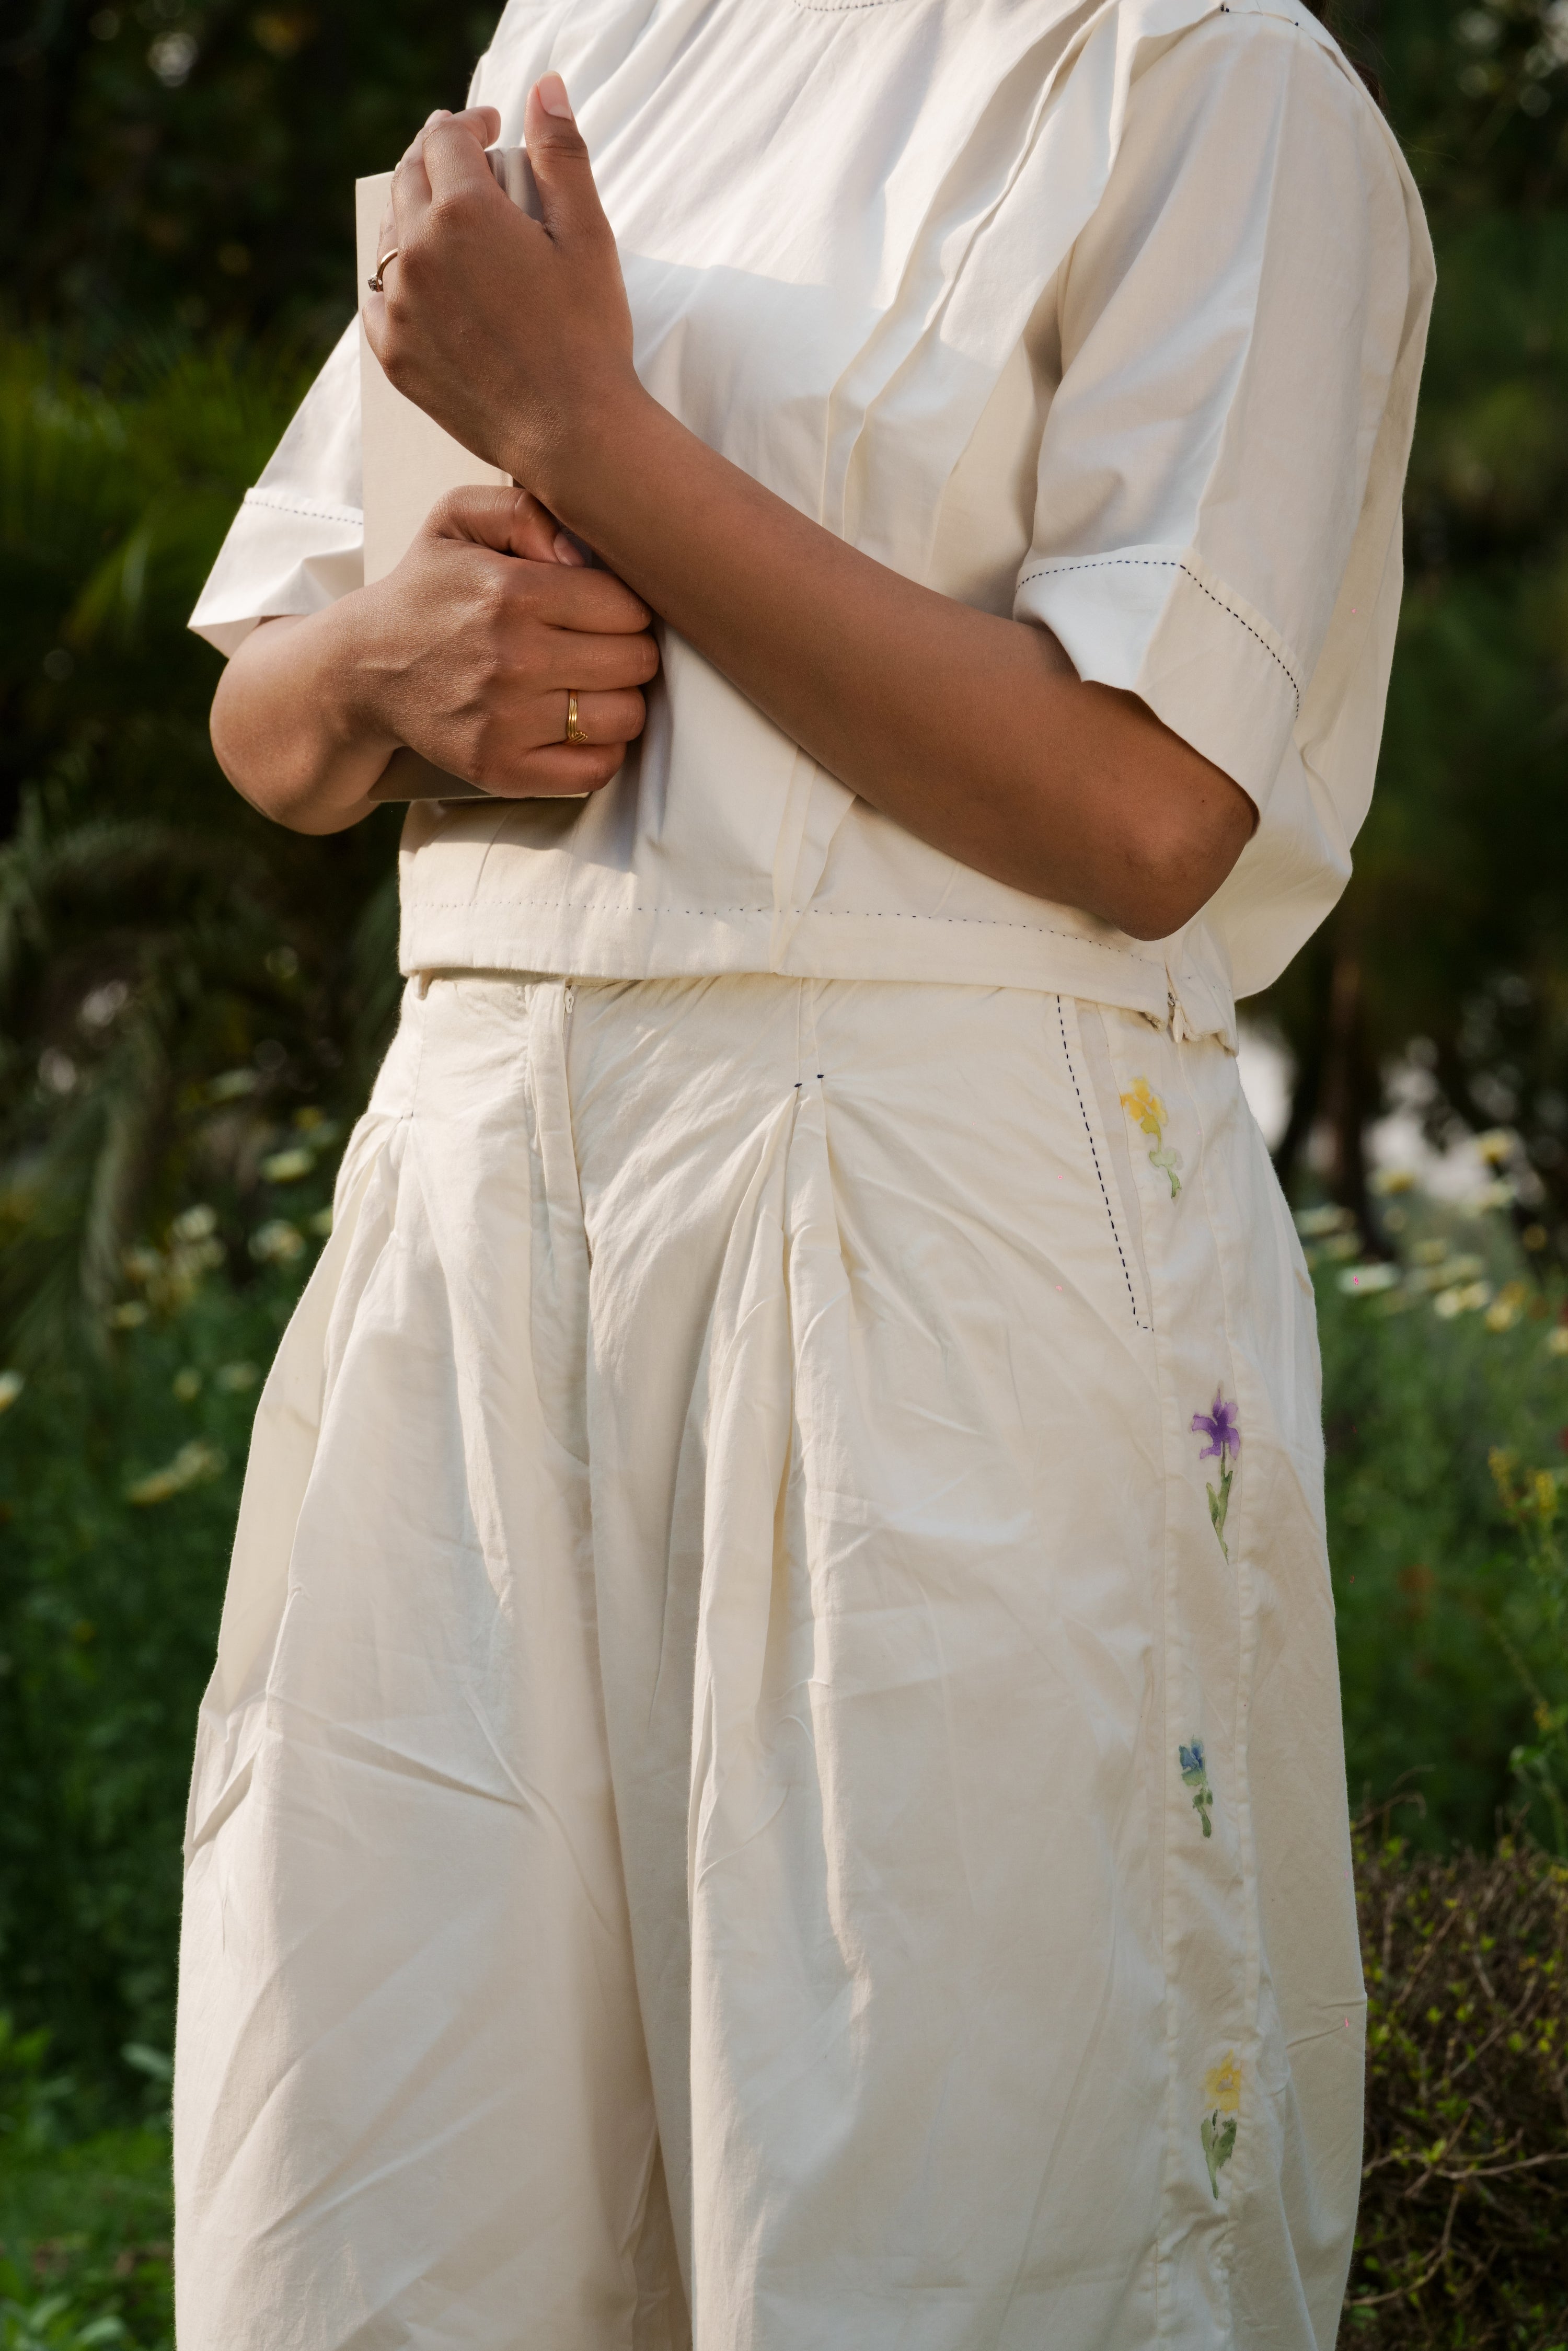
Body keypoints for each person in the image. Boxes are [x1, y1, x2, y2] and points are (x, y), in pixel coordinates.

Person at [178, 0, 1432, 2342]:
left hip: (937, 1251)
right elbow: (271, 701)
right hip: (471, 1236)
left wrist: (589, 437)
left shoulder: (1202, 68)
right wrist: (382, 670)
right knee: (391, 2213)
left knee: (946, 2210)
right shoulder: (594, 31)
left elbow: (1152, 808)